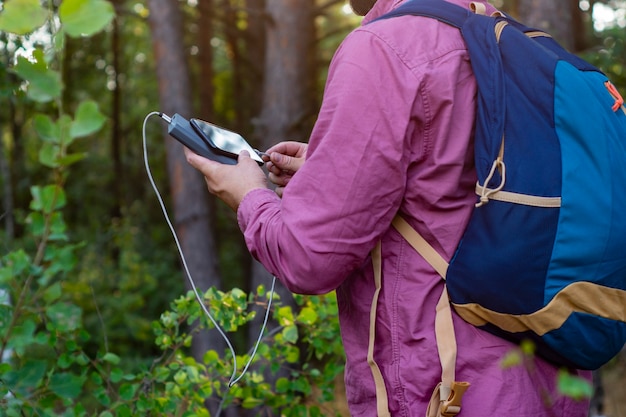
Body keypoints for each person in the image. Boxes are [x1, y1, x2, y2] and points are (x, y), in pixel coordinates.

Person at [185, 0, 592, 415]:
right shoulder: (511, 42)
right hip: (547, 382)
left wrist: (249, 195)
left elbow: (307, 257)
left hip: (451, 390)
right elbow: (463, 187)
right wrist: (334, 170)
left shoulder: (386, 47)